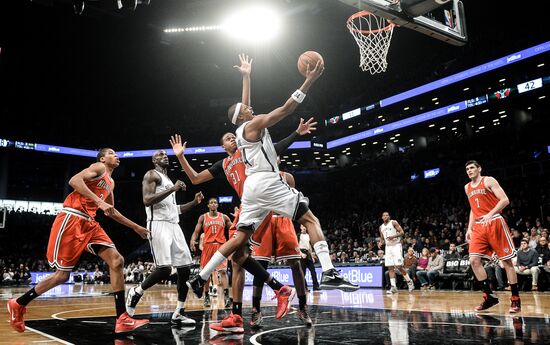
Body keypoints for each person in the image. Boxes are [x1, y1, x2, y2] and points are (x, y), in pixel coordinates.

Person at [186, 56, 358, 313]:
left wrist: (246, 77)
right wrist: (309, 81)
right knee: (310, 219)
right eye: (245, 108)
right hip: (267, 181)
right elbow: (287, 108)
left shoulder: (243, 129)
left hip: (251, 191)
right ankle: (330, 271)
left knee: (239, 238)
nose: (249, 107)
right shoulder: (252, 125)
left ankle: (200, 277)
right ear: (242, 115)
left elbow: (245, 106)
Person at [169, 54, 323, 333]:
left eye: (232, 135)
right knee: (238, 259)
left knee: (292, 260)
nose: (231, 138)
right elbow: (193, 178)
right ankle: (243, 312)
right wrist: (181, 156)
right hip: (253, 205)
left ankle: (298, 305)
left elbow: (249, 113)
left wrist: (246, 76)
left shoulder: (248, 146)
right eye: (227, 138)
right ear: (226, 144)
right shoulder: (225, 162)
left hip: (270, 199)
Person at [7, 148, 150, 334]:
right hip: (72, 219)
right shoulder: (99, 167)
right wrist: (99, 202)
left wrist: (135, 227)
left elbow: (111, 211)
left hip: (90, 224)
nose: (117, 156)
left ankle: (122, 318)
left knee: (117, 261)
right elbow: (74, 180)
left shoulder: (111, 182)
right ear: (102, 158)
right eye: (112, 153)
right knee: (62, 276)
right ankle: (18, 303)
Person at [126, 149, 204, 326]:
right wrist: (173, 189)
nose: (164, 156)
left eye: (165, 155)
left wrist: (194, 203)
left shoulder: (168, 180)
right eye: (160, 155)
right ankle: (136, 291)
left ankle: (179, 312)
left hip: (174, 225)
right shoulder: (151, 174)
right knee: (165, 269)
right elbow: (147, 200)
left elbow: (174, 209)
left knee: (185, 269)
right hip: (158, 224)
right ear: (154, 160)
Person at [249, 169, 312, 328]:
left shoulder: (288, 177)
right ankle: (256, 310)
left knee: (296, 265)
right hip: (264, 220)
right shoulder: (255, 176)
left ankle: (303, 308)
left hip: (284, 220)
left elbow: (293, 201)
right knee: (260, 267)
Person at [464, 160, 520, 312]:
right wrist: (469, 228)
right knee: (474, 261)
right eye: (467, 169)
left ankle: (515, 299)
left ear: (479, 168)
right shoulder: (467, 187)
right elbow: (472, 209)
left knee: (507, 262)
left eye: (472, 168)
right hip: (479, 227)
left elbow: (505, 200)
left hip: (494, 221)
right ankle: (489, 297)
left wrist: (490, 214)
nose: (469, 171)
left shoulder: (488, 180)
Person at [191, 198, 232, 308]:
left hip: (220, 246)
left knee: (223, 272)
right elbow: (196, 231)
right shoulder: (203, 217)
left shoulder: (224, 217)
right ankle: (206, 297)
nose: (214, 204)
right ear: (208, 205)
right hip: (207, 247)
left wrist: (233, 243)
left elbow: (233, 229)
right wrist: (192, 240)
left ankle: (227, 297)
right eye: (211, 203)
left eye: (215, 202)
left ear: (217, 205)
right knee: (206, 273)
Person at [380, 212, 414, 294]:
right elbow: (382, 238)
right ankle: (393, 287)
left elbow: (402, 232)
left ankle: (409, 282)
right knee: (390, 267)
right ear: (382, 217)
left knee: (399, 266)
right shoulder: (381, 227)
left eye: (387, 215)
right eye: (384, 215)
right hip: (388, 247)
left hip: (396, 246)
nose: (385, 216)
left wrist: (393, 236)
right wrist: (380, 242)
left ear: (389, 216)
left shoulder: (393, 222)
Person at [299, 225, 321, 291]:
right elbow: (296, 246)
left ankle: (316, 287)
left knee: (313, 271)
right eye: (302, 226)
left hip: (308, 254)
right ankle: (304, 288)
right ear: (301, 227)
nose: (304, 227)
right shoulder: (298, 235)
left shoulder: (308, 235)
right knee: (303, 273)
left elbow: (309, 246)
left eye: (305, 226)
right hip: (301, 254)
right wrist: (301, 254)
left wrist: (312, 256)